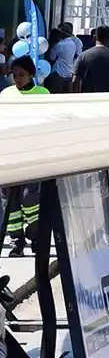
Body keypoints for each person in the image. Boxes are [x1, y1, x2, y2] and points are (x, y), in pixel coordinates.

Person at [2, 56, 48, 257]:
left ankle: (35, 236)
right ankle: (16, 241)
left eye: (21, 75)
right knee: (9, 202)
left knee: (30, 198)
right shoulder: (6, 94)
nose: (17, 79)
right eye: (14, 75)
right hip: (9, 154)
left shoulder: (42, 94)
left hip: (32, 153)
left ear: (31, 74)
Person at [73, 25, 109, 94]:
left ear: (94, 37)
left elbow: (75, 81)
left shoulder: (83, 56)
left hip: (88, 100)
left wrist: (77, 98)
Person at [48, 23, 79, 94]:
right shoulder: (73, 43)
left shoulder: (59, 45)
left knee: (55, 94)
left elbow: (52, 58)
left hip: (58, 72)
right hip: (69, 72)